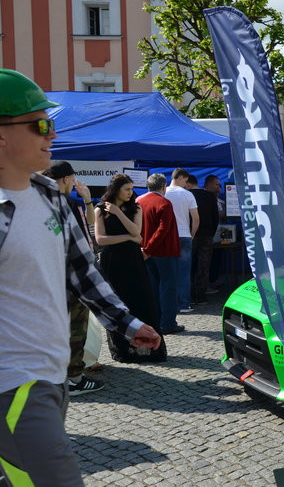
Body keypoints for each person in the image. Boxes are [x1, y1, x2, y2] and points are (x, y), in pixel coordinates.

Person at [0, 68, 160, 486]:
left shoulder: (50, 195)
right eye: (40, 124)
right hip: (13, 384)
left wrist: (127, 324)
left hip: (53, 376)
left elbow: (82, 271)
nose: (52, 134)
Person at [42, 161, 104, 395]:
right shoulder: (65, 202)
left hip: (49, 276)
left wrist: (87, 200)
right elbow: (83, 237)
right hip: (70, 277)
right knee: (75, 328)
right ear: (67, 179)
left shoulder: (39, 200)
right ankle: (75, 378)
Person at [96, 174, 167, 362]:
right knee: (117, 303)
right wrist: (128, 238)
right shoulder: (100, 209)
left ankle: (151, 349)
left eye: (131, 188)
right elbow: (100, 239)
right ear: (116, 189)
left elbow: (137, 233)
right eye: (126, 189)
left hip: (133, 261)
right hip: (112, 262)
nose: (130, 192)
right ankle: (124, 350)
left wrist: (118, 213)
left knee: (142, 301)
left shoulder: (136, 208)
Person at [137, 173, 184, 335]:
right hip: (163, 252)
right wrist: (149, 248)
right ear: (163, 186)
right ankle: (168, 323)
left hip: (145, 251)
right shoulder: (164, 203)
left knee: (153, 288)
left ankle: (154, 320)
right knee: (168, 288)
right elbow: (163, 230)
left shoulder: (139, 201)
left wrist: (144, 249)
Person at [165, 169, 198, 314]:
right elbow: (196, 219)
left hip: (167, 237)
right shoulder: (188, 194)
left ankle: (169, 303)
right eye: (186, 181)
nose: (186, 184)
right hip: (184, 235)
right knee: (184, 272)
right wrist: (191, 234)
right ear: (181, 178)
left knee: (168, 272)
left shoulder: (162, 192)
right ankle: (184, 304)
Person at [187, 174, 219, 305]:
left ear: (188, 183)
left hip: (190, 235)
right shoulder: (209, 196)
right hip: (206, 236)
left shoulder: (187, 195)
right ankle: (200, 296)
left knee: (187, 266)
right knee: (203, 266)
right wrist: (211, 233)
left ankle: (187, 295)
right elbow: (215, 217)